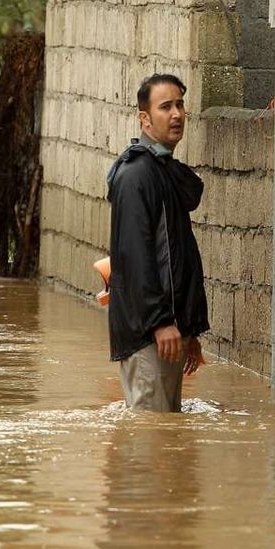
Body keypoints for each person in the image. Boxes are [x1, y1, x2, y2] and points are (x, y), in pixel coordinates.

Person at [105, 73, 209, 412]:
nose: (177, 114)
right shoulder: (137, 175)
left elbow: (178, 257)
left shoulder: (162, 171)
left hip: (168, 333)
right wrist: (160, 322)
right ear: (145, 119)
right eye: (166, 107)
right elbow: (135, 258)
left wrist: (188, 330)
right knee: (149, 442)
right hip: (150, 334)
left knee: (165, 443)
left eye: (180, 104)